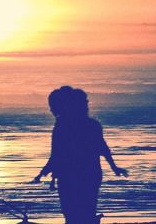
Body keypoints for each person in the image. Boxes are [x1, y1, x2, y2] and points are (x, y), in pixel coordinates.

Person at [33, 87, 128, 224]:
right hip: (91, 174)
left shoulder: (62, 126)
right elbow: (103, 148)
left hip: (70, 176)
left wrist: (44, 171)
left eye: (52, 106)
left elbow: (57, 154)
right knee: (87, 209)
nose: (51, 110)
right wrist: (114, 167)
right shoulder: (92, 125)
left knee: (71, 212)